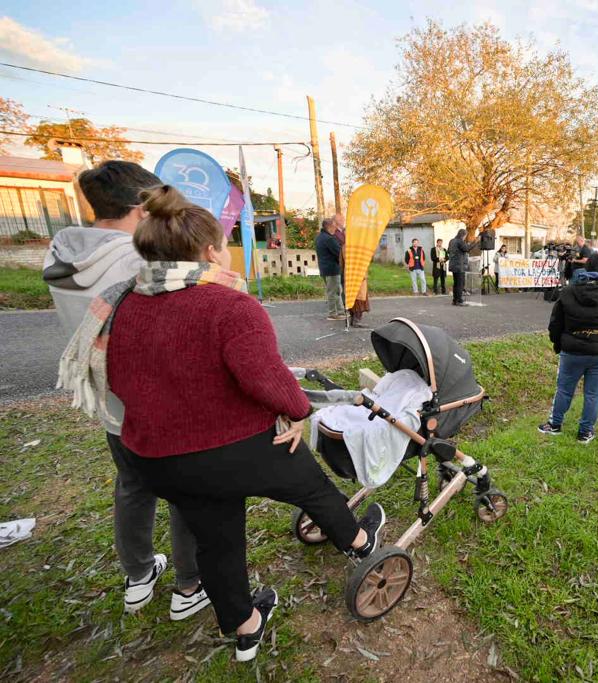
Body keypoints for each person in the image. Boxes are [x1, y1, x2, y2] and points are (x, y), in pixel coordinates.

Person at [66, 185, 387, 662]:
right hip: (231, 449)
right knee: (311, 485)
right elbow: (269, 383)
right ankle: (360, 543)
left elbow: (125, 381)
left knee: (215, 539)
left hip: (157, 459)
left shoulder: (121, 305)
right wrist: (298, 412)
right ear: (211, 249)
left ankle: (244, 626)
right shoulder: (229, 306)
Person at [43, 161, 205, 619]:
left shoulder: (62, 254)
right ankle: (189, 585)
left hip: (112, 402)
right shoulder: (141, 261)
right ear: (142, 206)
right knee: (186, 494)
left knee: (132, 486)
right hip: (162, 402)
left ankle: (138, 575)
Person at [538, 253, 598, 444]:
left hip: (572, 349)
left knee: (563, 389)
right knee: (594, 394)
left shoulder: (569, 291)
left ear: (586, 268)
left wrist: (558, 344)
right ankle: (585, 432)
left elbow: (555, 323)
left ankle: (555, 424)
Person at [315, 216, 344, 320]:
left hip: (325, 268)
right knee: (333, 292)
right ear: (329, 226)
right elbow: (339, 253)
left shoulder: (320, 237)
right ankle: (333, 313)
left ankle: (340, 312)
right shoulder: (329, 239)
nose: (335, 228)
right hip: (332, 268)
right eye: (334, 225)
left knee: (336, 290)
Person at [448, 228, 478, 306]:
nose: (465, 237)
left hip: (453, 265)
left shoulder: (451, 241)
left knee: (456, 283)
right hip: (459, 265)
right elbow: (467, 249)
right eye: (465, 236)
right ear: (463, 235)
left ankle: (455, 300)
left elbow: (449, 250)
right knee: (460, 284)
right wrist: (475, 242)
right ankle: (459, 300)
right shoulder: (459, 241)